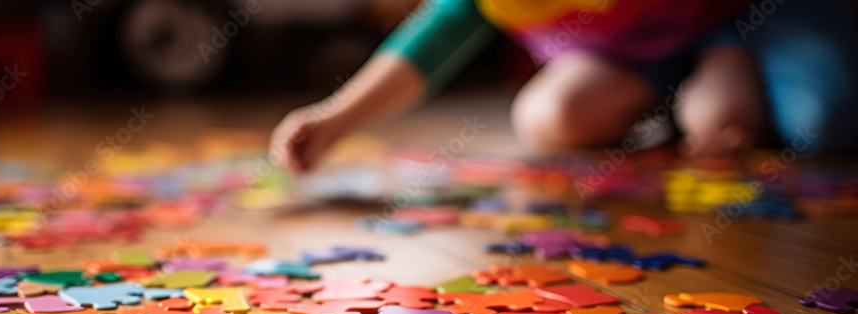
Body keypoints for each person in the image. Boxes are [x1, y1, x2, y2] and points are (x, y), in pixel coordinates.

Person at [269, 0, 858, 172]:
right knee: (551, 117)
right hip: (632, 52)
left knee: (815, 123)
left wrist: (727, 50)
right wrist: (333, 119)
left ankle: (718, 74)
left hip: (728, 19)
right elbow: (433, 43)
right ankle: (678, 98)